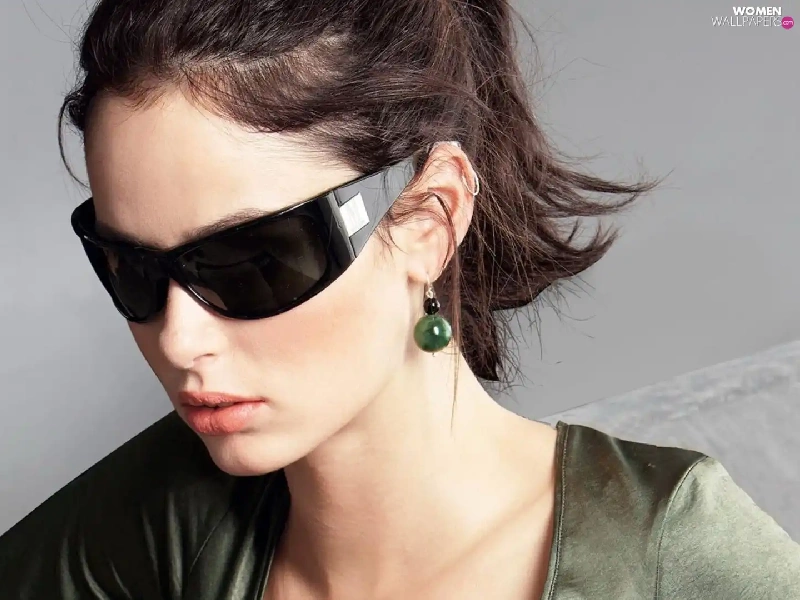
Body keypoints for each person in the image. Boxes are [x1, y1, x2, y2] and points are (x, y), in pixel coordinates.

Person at [1, 0, 799, 598]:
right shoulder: (170, 516)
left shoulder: (671, 554)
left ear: (428, 217)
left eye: (253, 263)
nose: (178, 339)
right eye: (129, 267)